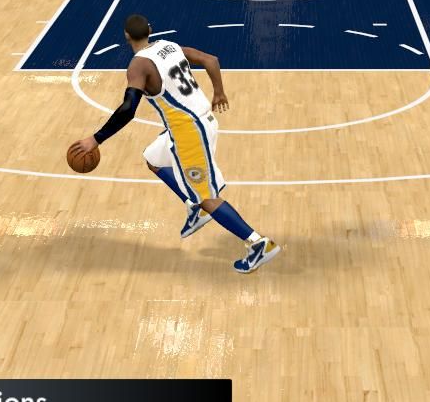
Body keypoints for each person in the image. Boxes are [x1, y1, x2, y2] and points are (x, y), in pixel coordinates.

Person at [70, 14, 281, 274]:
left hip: (189, 133)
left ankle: (258, 244)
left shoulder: (138, 66)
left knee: (207, 198)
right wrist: (219, 91)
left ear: (126, 36)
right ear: (150, 29)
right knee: (153, 158)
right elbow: (211, 60)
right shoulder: (169, 46)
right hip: (199, 121)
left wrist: (96, 138)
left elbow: (128, 109)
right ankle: (195, 208)